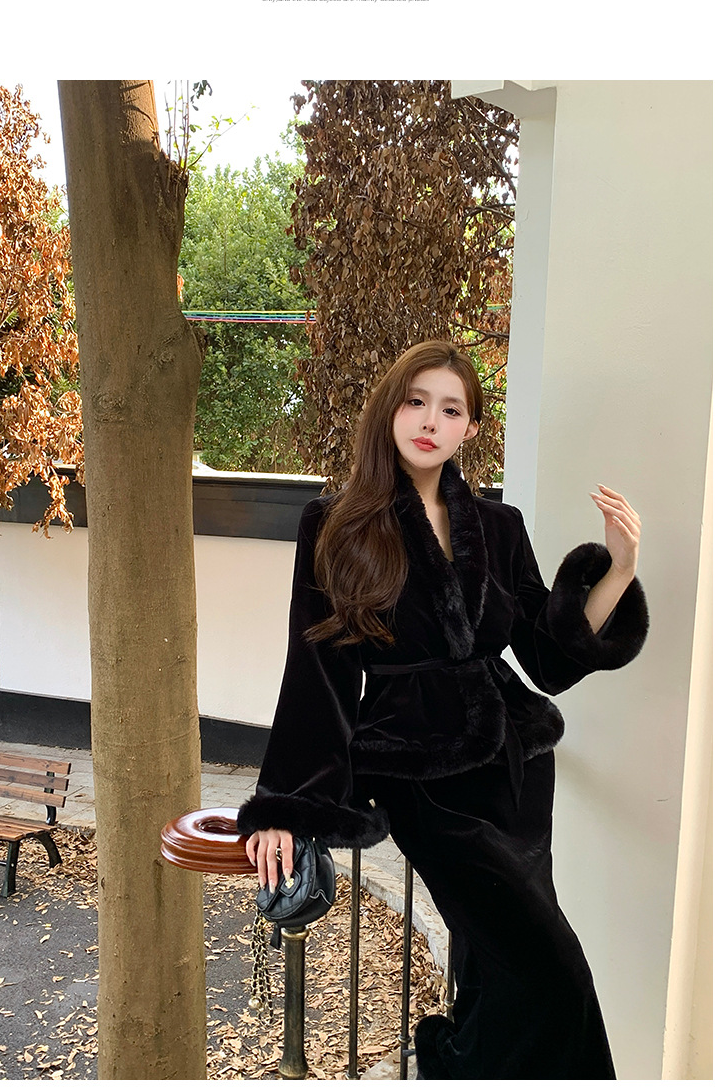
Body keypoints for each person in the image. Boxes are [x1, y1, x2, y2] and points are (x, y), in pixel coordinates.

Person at [238, 339, 649, 1079]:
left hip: (517, 775)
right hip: (420, 776)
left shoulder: (499, 525)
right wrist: (287, 806)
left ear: (471, 427)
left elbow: (546, 658)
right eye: (416, 400)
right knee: (553, 974)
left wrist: (618, 569)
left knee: (499, 976)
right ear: (390, 409)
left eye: (451, 409)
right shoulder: (335, 522)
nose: (431, 420)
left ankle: (459, 1066)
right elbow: (318, 671)